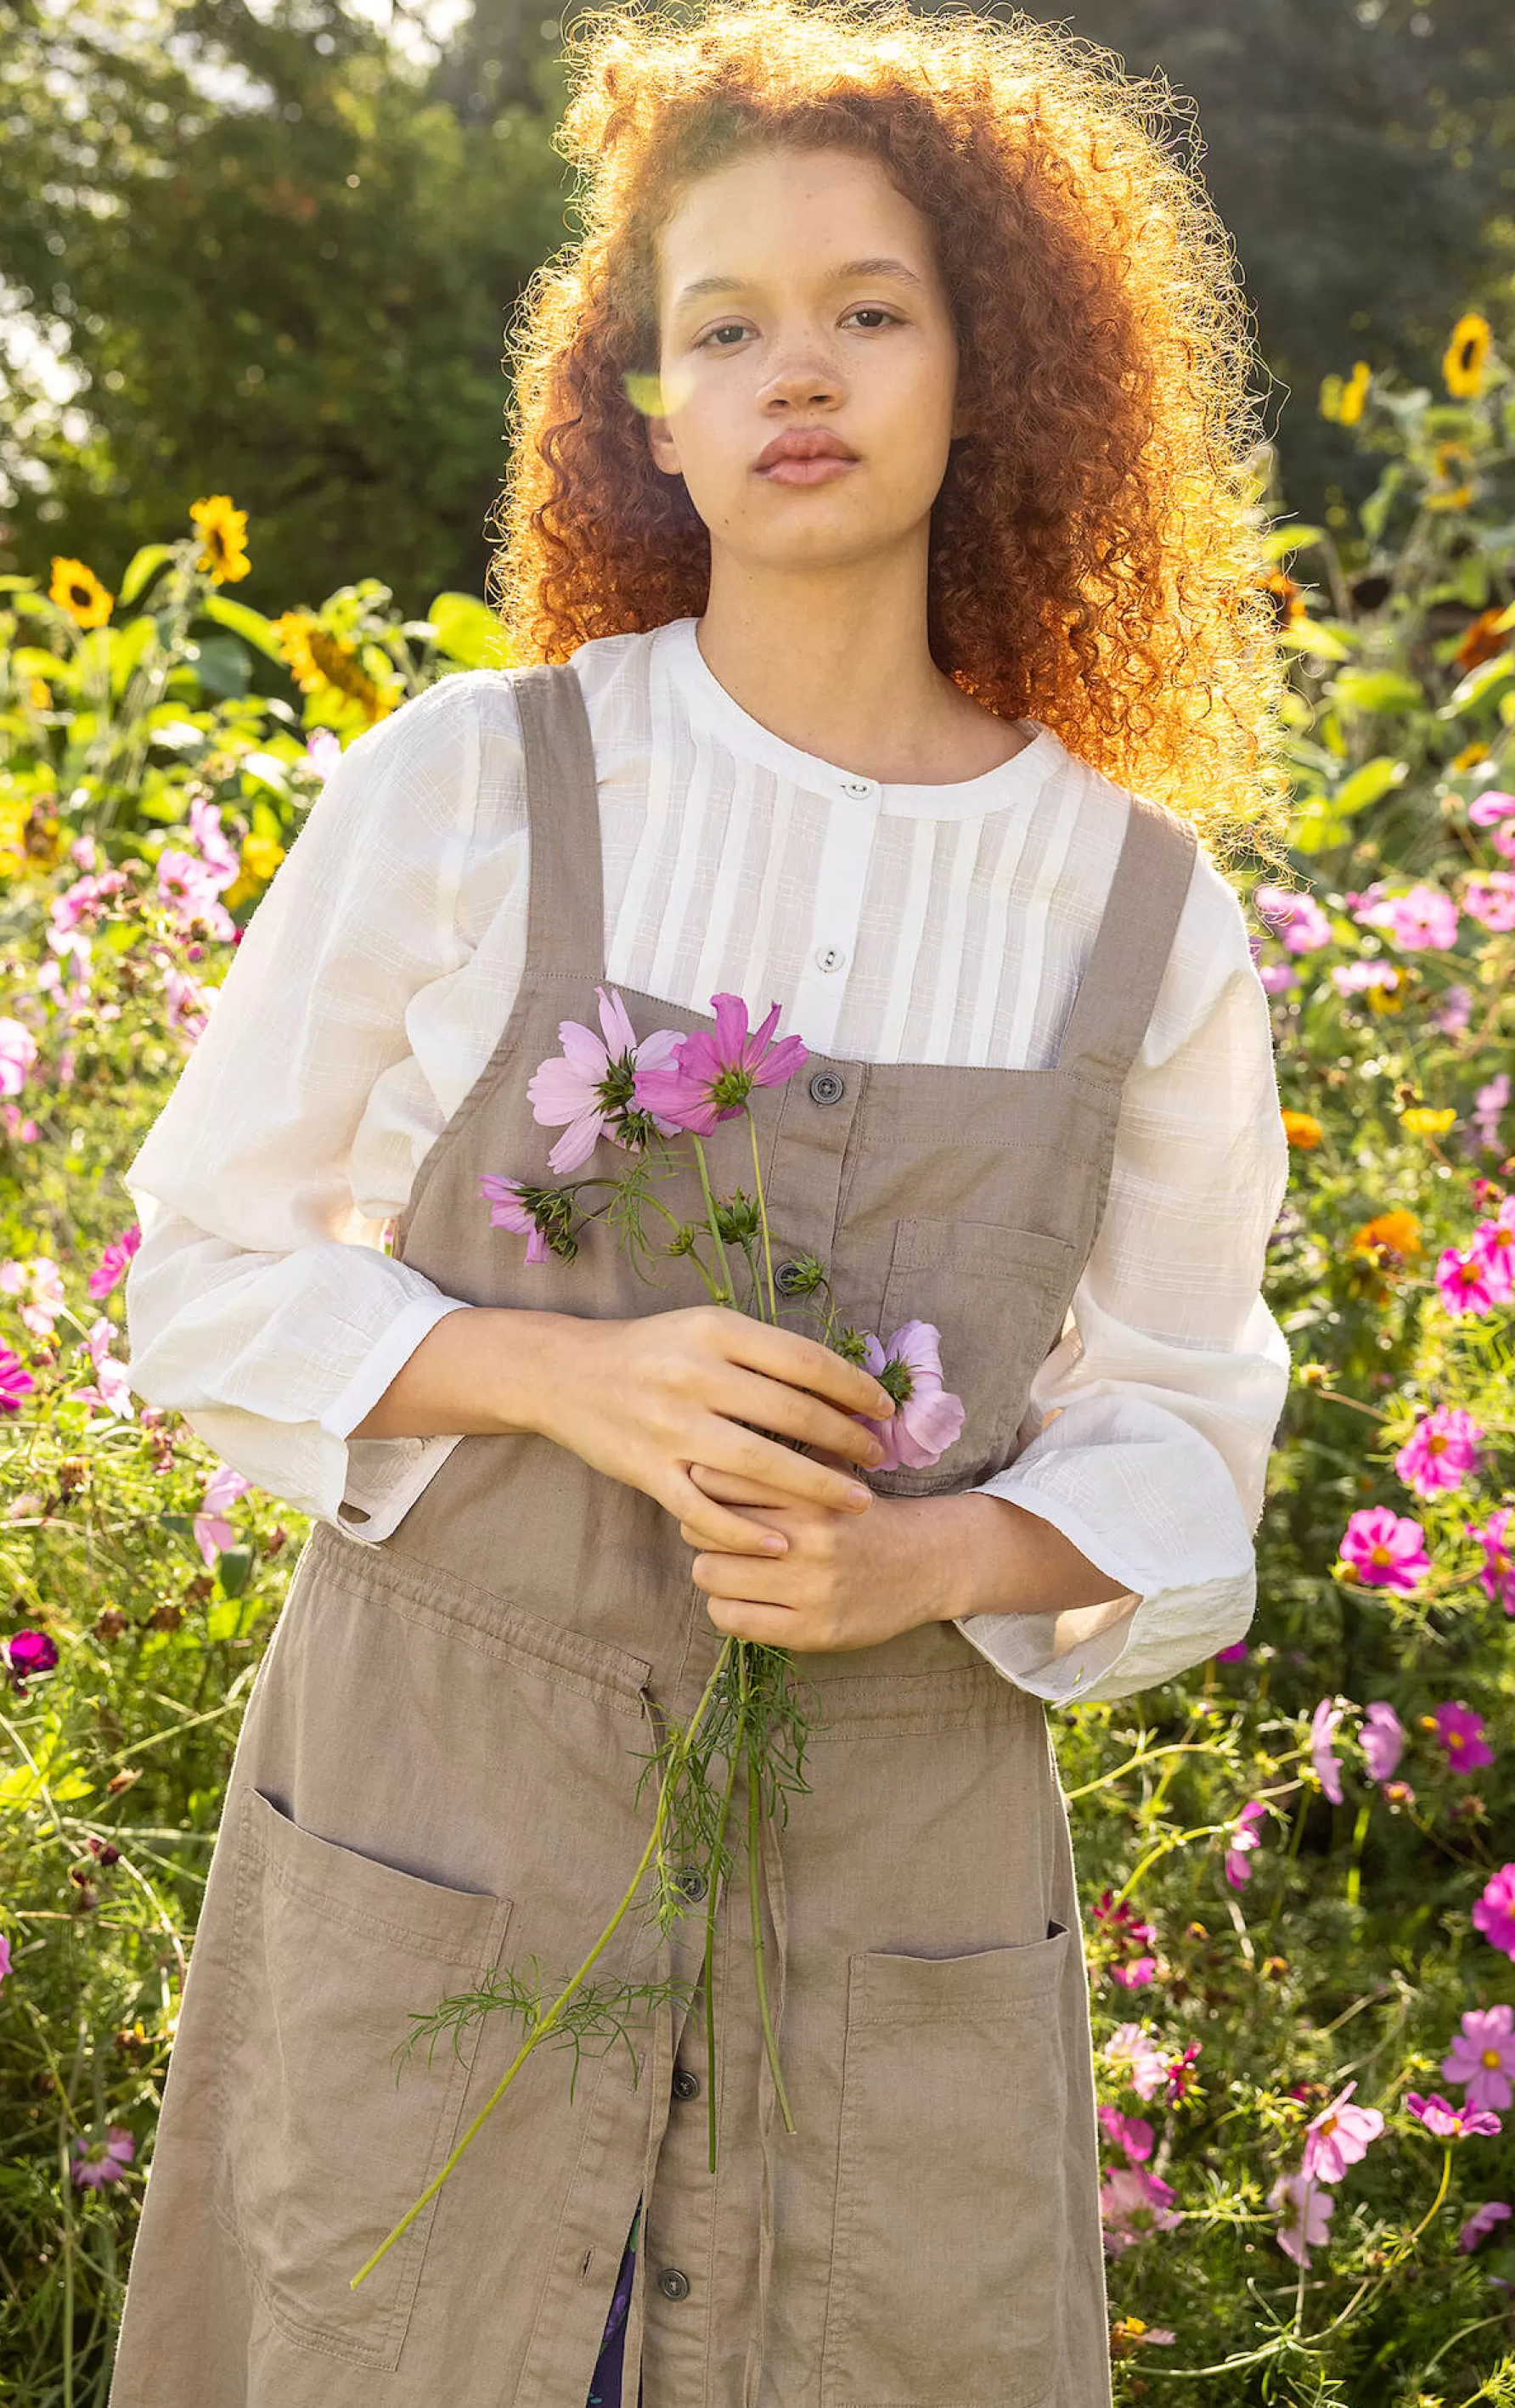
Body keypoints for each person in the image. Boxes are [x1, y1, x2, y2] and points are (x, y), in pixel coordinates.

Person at [107, 3, 1294, 2402]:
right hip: (444, 1808)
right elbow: (204, 1276)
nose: (801, 372)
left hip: (897, 1888)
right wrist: (571, 1374)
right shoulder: (471, 786)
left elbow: (1189, 1425)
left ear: (997, 364)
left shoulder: (1139, 913)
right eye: (723, 324)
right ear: (638, 401)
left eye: (872, 309)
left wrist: (938, 1557)